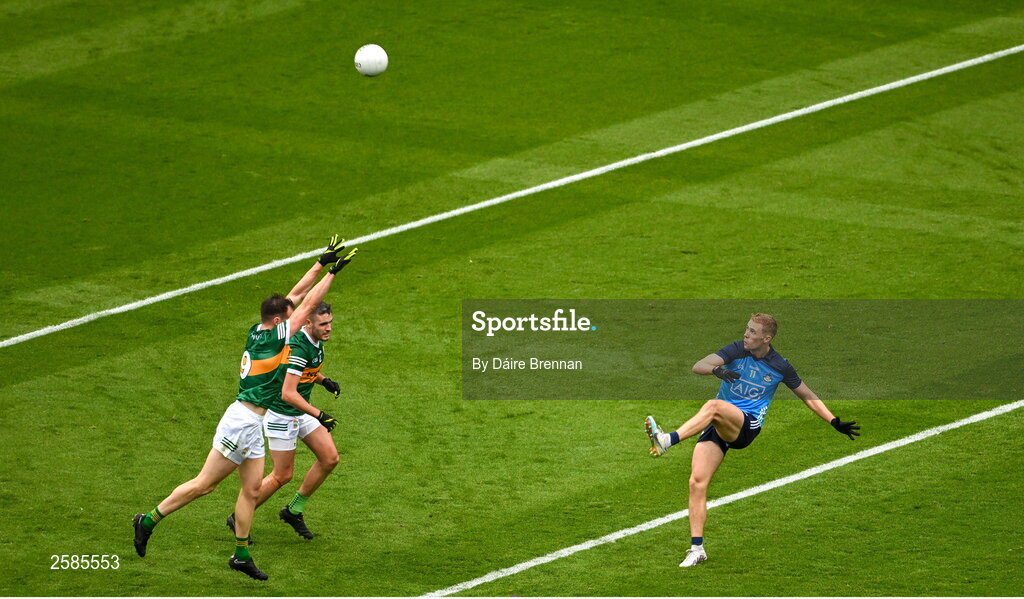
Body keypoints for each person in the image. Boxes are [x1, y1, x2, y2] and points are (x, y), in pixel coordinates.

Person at [132, 237, 356, 580]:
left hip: (255, 422)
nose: (295, 315)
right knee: (205, 485)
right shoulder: (273, 339)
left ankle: (240, 555)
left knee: (252, 491)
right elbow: (307, 305)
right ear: (281, 320)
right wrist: (334, 274)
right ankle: (147, 520)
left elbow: (294, 298)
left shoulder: (259, 330)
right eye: (290, 316)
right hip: (242, 422)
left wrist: (320, 263)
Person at [644, 313, 859, 568]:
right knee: (696, 483)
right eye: (746, 330)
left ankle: (667, 440)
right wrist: (718, 371)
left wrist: (833, 421)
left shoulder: (780, 366)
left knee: (714, 405)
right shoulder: (736, 350)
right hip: (719, 424)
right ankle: (697, 549)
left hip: (746, 425)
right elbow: (698, 365)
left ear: (766, 338)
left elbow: (807, 394)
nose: (746, 335)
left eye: (752, 332)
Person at [240, 301, 341, 540]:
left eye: (330, 323)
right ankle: (239, 516)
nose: (328, 328)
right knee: (281, 475)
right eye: (323, 324)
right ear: (308, 323)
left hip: (299, 411)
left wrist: (323, 380)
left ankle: (293, 510)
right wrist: (319, 414)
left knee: (330, 458)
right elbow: (288, 392)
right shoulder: (299, 348)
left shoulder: (315, 341)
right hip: (281, 413)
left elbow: (304, 371)